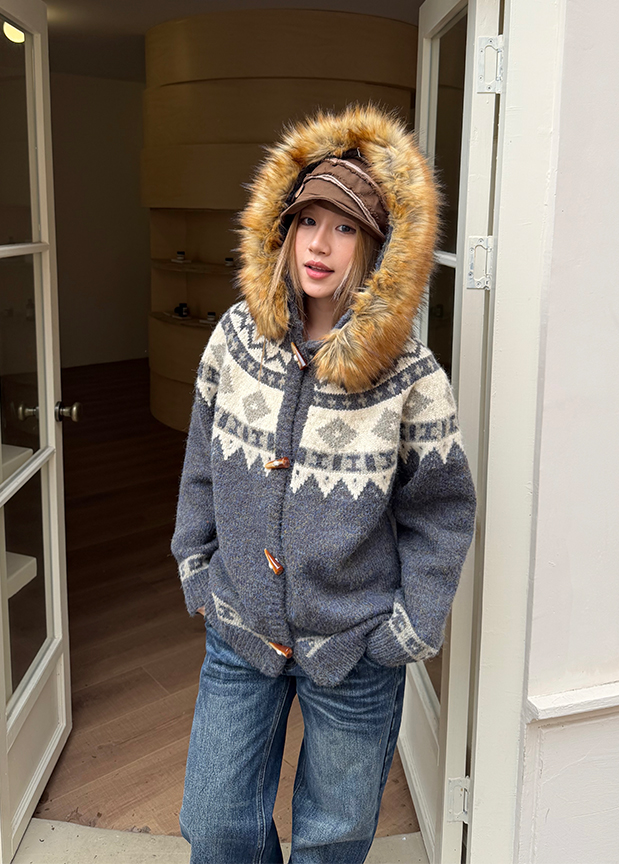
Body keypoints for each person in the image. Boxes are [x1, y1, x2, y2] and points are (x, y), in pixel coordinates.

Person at [170, 102, 477, 864]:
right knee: (215, 824)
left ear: (377, 248)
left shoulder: (411, 375)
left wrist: (409, 625)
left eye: (345, 228)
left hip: (356, 645)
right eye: (308, 220)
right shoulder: (235, 338)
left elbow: (442, 511)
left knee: (332, 841)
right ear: (281, 229)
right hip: (240, 624)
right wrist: (196, 564)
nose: (320, 244)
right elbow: (202, 457)